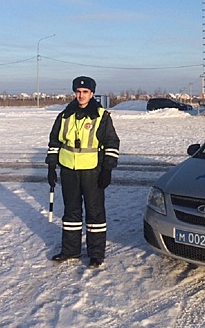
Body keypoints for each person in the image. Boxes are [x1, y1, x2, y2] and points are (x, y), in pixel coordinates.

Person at [45, 76, 120, 268]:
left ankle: (96, 254)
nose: (81, 95)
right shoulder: (64, 115)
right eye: (78, 92)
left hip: (92, 171)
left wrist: (107, 169)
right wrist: (51, 167)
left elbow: (112, 143)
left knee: (95, 213)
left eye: (85, 92)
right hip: (69, 170)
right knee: (71, 212)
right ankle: (70, 250)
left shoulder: (101, 116)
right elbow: (55, 142)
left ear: (92, 94)